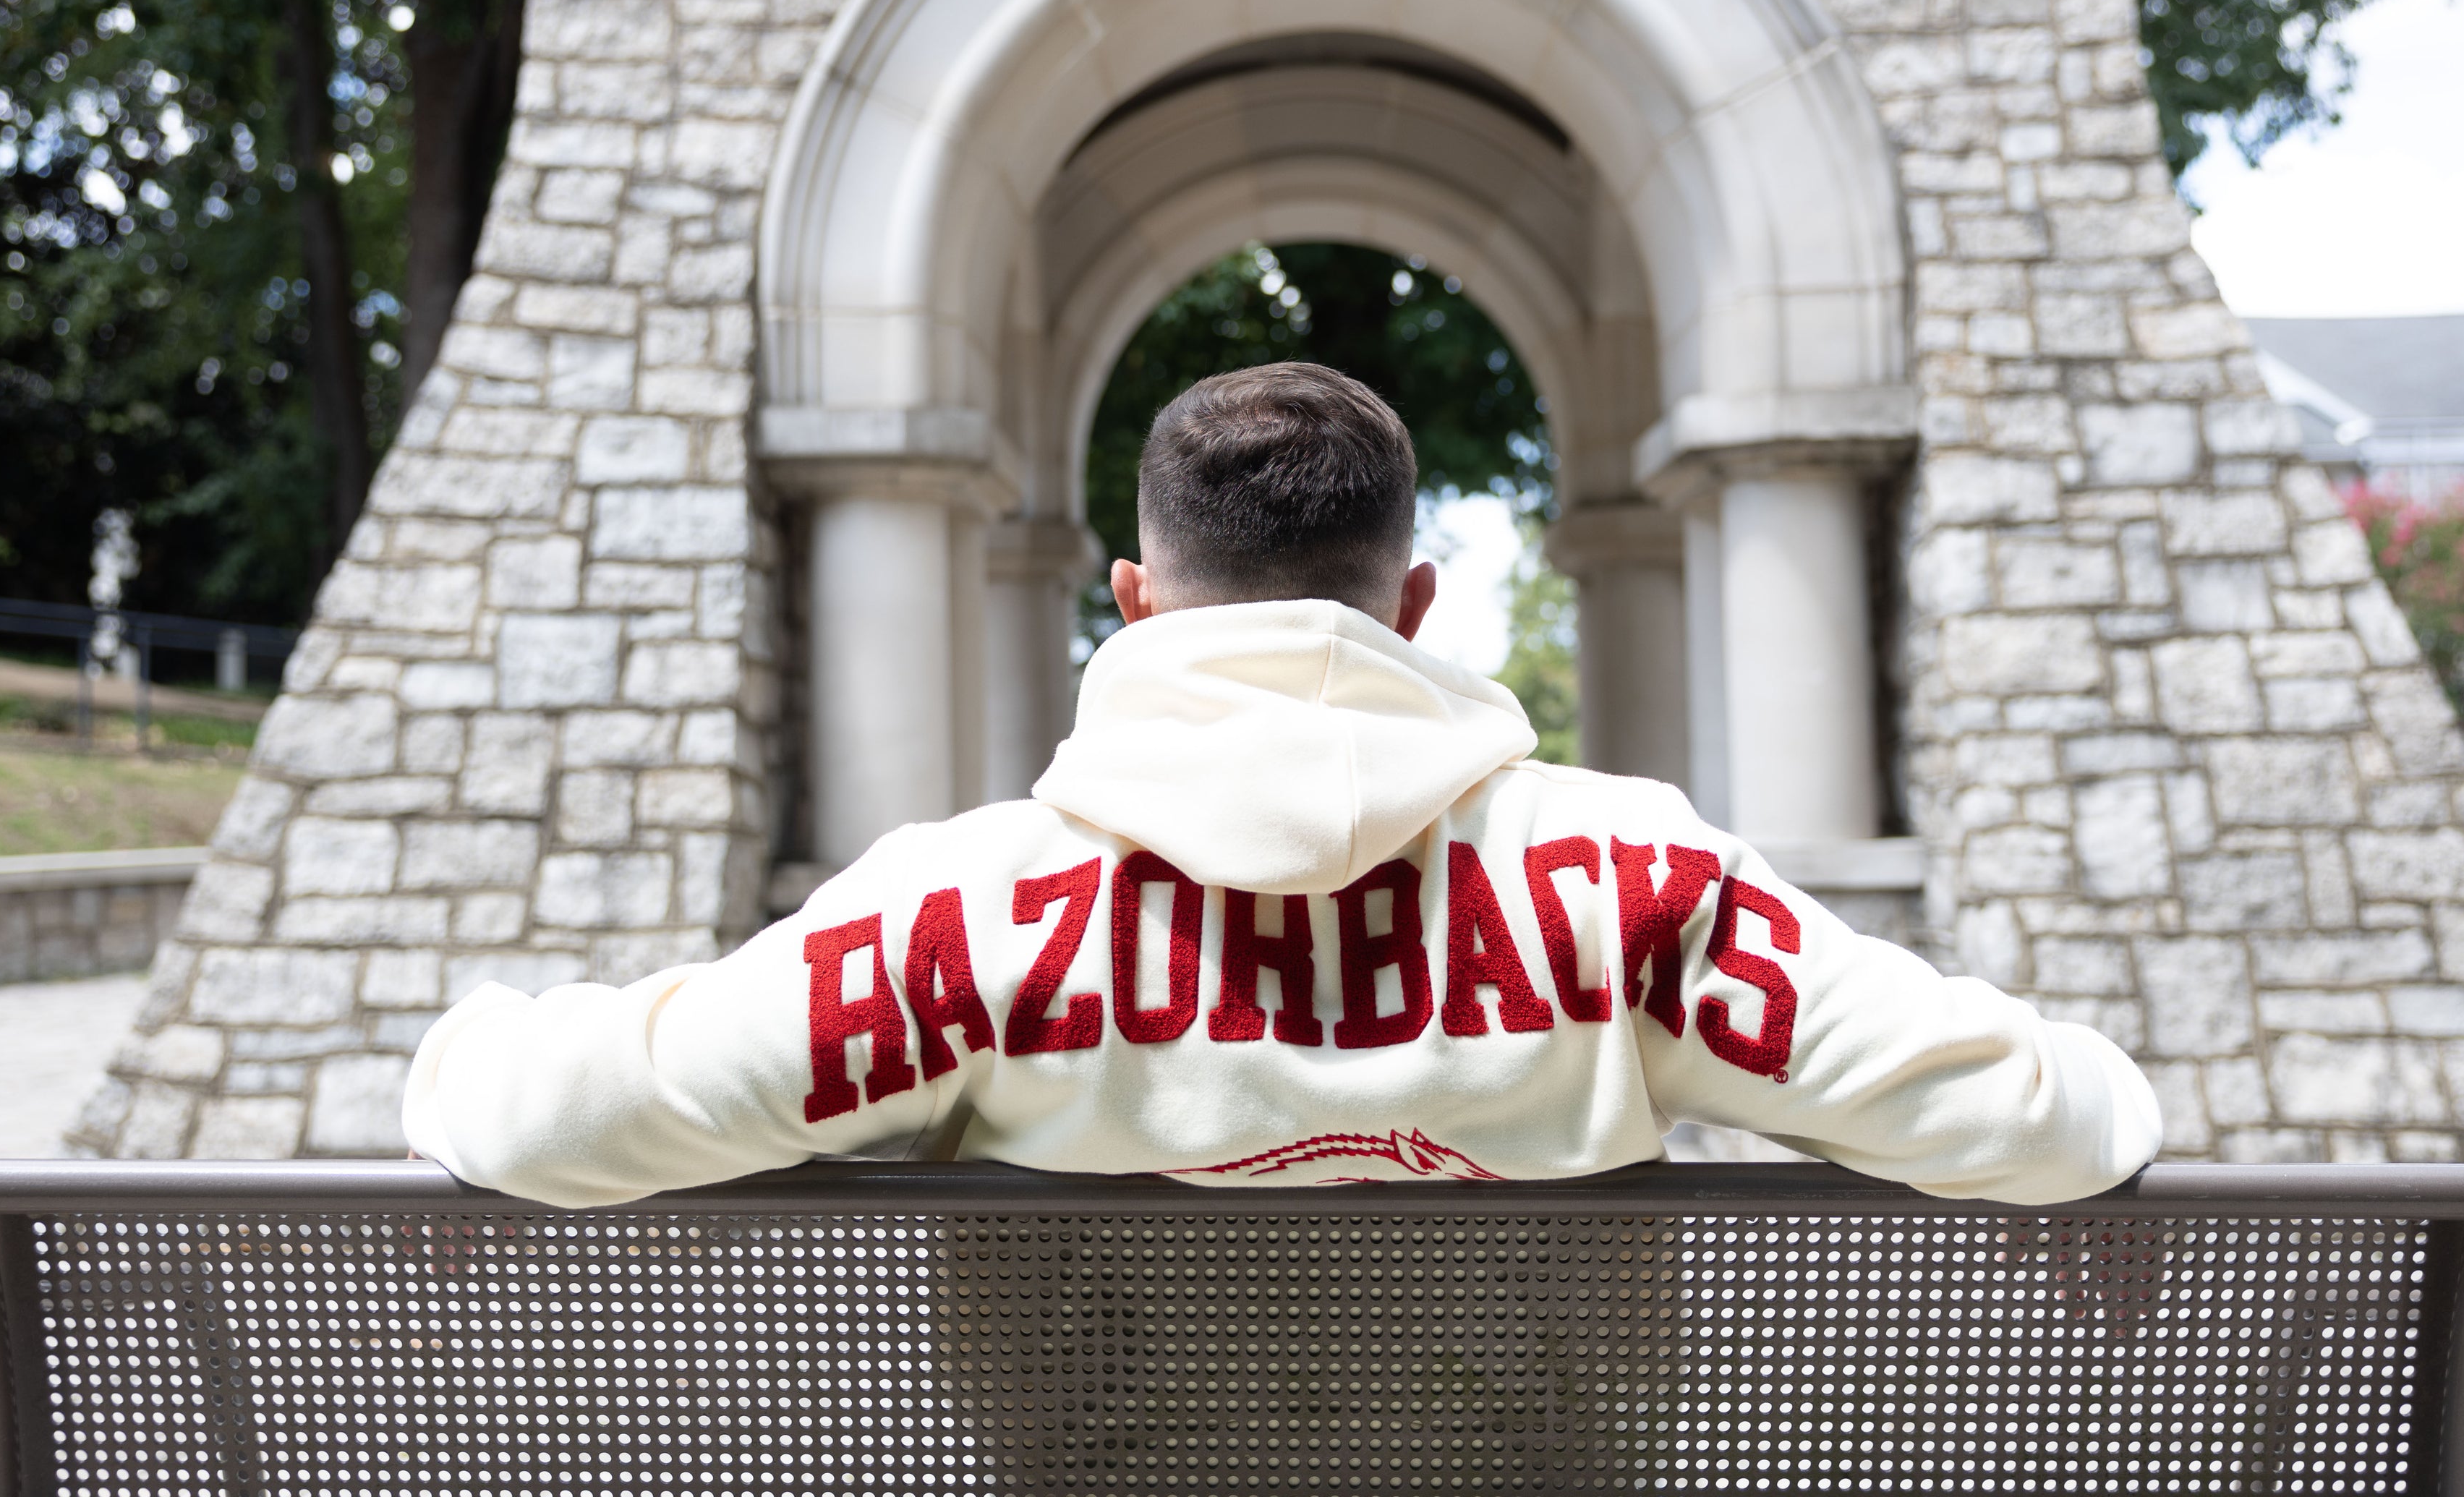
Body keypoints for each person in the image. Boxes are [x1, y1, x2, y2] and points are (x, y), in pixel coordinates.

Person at [404, 360, 2159, 1205]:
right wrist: (2099, 1078)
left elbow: (554, 1116)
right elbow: (2048, 1124)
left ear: (1138, 599)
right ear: (1413, 603)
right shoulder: (1636, 881)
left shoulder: (962, 911)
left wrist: (461, 1045)